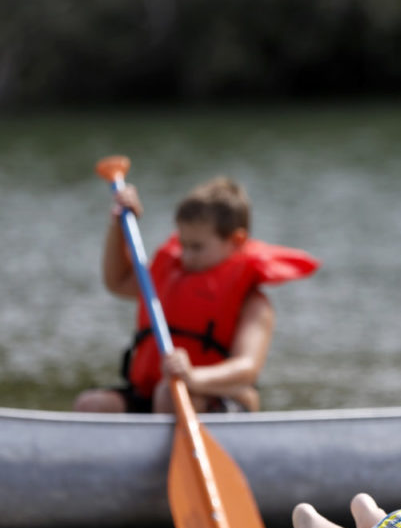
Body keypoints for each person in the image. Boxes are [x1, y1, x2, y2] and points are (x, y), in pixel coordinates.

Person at [73, 176, 318, 414]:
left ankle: (178, 450)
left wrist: (193, 376)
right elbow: (117, 282)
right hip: (159, 393)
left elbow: (248, 368)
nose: (186, 256)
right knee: (90, 404)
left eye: (197, 247)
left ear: (236, 240)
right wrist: (119, 226)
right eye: (183, 244)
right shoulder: (171, 274)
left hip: (214, 393)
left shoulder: (253, 303)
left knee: (169, 393)